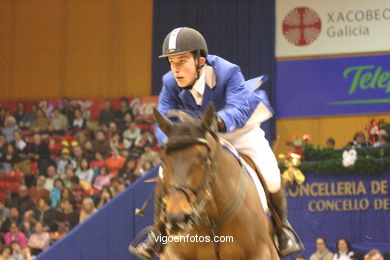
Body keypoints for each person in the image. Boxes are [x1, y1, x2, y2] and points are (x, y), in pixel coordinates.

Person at [131, 27, 303, 259]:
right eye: (172, 62)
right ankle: (158, 234)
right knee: (165, 173)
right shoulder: (169, 82)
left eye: (182, 61)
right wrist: (173, 142)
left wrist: (218, 123)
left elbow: (240, 108)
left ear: (200, 60)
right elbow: (162, 120)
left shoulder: (228, 72)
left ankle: (283, 230)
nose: (176, 69)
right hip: (195, 137)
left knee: (271, 175)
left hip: (236, 130)